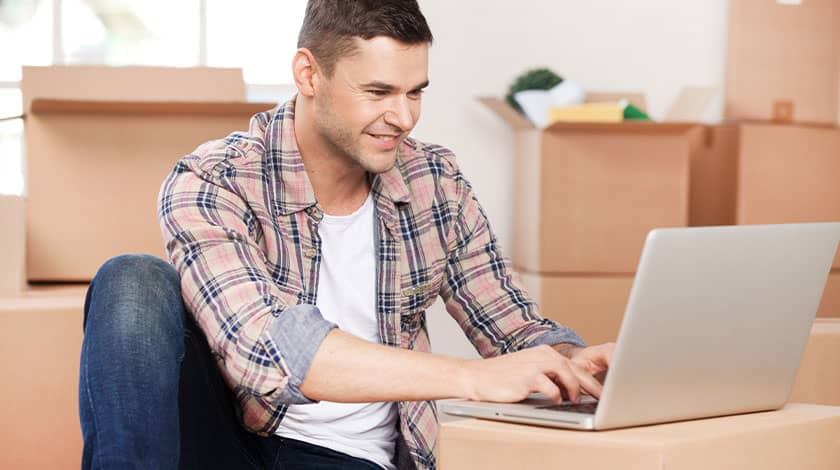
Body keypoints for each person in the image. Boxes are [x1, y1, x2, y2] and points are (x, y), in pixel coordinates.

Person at [78, 1, 615, 469]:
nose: (402, 117)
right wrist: (473, 379)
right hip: (227, 441)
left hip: (352, 459)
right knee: (132, 279)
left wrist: (571, 359)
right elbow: (268, 352)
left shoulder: (435, 182)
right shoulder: (214, 180)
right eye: (378, 91)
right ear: (309, 74)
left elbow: (511, 325)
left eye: (415, 93)